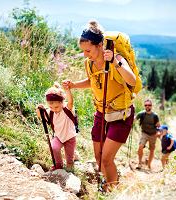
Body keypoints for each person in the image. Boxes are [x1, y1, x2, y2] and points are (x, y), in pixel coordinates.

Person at [62, 20, 136, 191]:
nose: (85, 54)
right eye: (83, 51)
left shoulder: (116, 58)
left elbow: (131, 79)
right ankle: (107, 185)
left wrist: (116, 64)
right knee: (98, 156)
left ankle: (112, 191)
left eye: (88, 50)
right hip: (101, 113)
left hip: (121, 114)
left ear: (100, 45)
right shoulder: (89, 63)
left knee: (106, 159)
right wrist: (73, 85)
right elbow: (92, 81)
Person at [36, 82, 77, 171]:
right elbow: (40, 117)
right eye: (51, 107)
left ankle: (70, 165)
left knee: (69, 156)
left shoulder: (67, 109)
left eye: (56, 107)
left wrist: (67, 90)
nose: (54, 109)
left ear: (62, 102)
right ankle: (58, 165)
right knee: (54, 147)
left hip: (70, 137)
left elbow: (70, 101)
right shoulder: (50, 112)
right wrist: (38, 109)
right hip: (58, 136)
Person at [135, 99, 160, 170]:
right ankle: (139, 163)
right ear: (144, 106)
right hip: (144, 133)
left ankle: (149, 165)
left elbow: (158, 126)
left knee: (151, 150)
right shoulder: (141, 114)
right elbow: (134, 120)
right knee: (140, 146)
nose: (147, 106)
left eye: (149, 105)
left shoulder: (155, 116)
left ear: (151, 106)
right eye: (146, 105)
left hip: (153, 134)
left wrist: (158, 132)